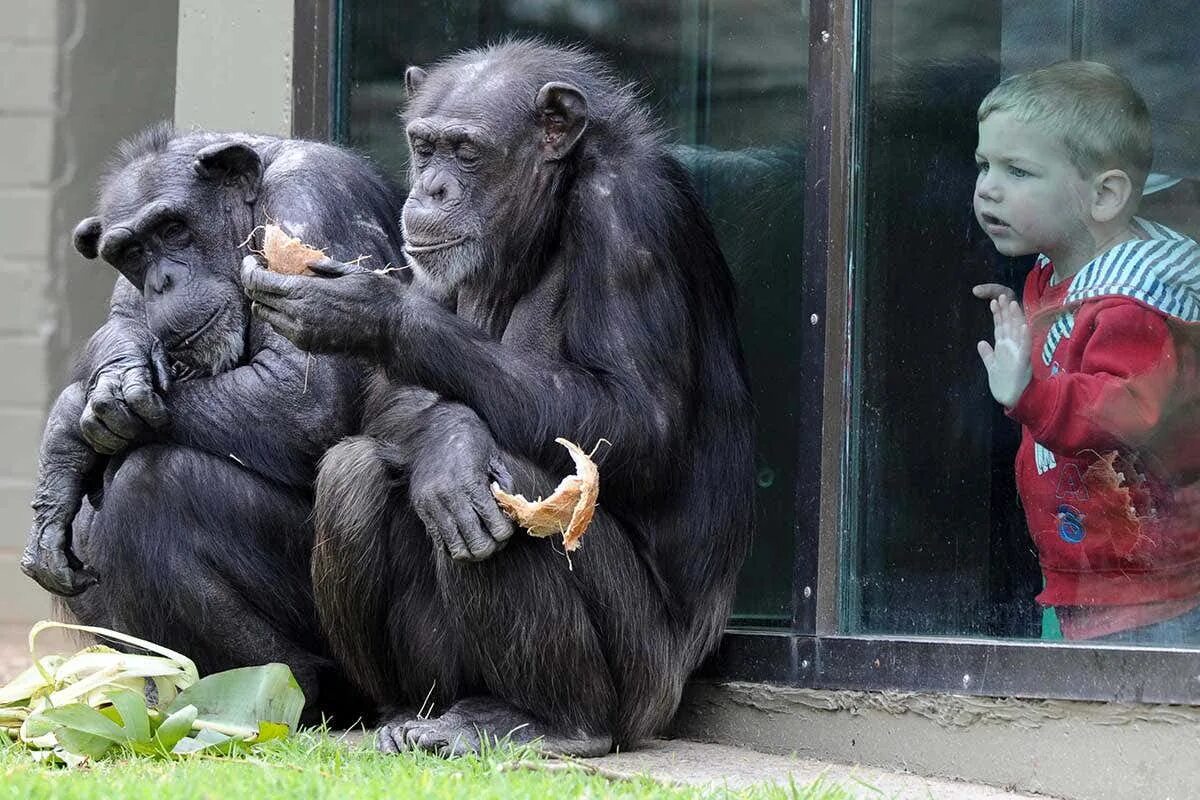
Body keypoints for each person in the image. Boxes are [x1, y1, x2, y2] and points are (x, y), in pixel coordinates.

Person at [972, 61, 1200, 643]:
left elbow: (1127, 410)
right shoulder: (1052, 278)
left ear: (1104, 195)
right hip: (1096, 571)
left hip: (1155, 588)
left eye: (1018, 170)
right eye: (985, 165)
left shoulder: (1132, 303)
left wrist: (1030, 392)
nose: (988, 187)